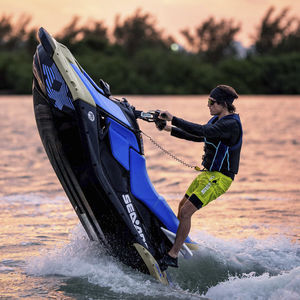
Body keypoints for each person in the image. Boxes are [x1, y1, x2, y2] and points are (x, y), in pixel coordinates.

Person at [156, 85, 243, 268]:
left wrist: (174, 118)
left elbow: (203, 131)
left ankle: (173, 256)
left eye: (211, 102)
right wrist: (167, 128)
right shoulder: (217, 121)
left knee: (187, 211)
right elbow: (197, 136)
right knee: (181, 207)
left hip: (220, 178)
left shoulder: (231, 124)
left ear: (223, 104)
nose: (208, 105)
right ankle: (178, 243)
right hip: (208, 175)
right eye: (208, 101)